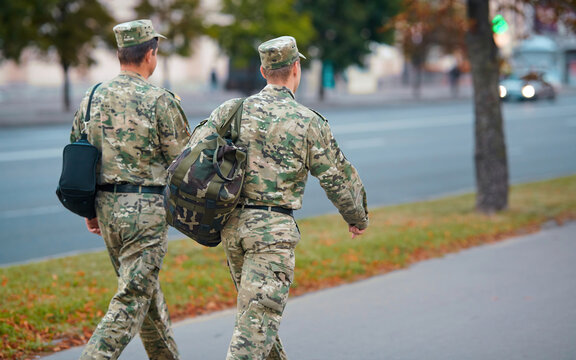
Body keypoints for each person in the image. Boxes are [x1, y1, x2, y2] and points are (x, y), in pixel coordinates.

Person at [186, 36, 369, 360]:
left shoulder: (234, 109)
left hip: (232, 230)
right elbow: (336, 176)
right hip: (272, 234)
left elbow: (193, 154)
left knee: (257, 320)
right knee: (255, 329)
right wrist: (356, 217)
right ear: (296, 68)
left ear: (263, 70)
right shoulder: (307, 121)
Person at [70, 19, 190, 360]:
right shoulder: (160, 99)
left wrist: (90, 210)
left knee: (144, 296)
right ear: (150, 53)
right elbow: (183, 161)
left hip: (106, 211)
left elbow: (78, 154)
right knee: (131, 300)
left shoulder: (92, 97)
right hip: (145, 212)